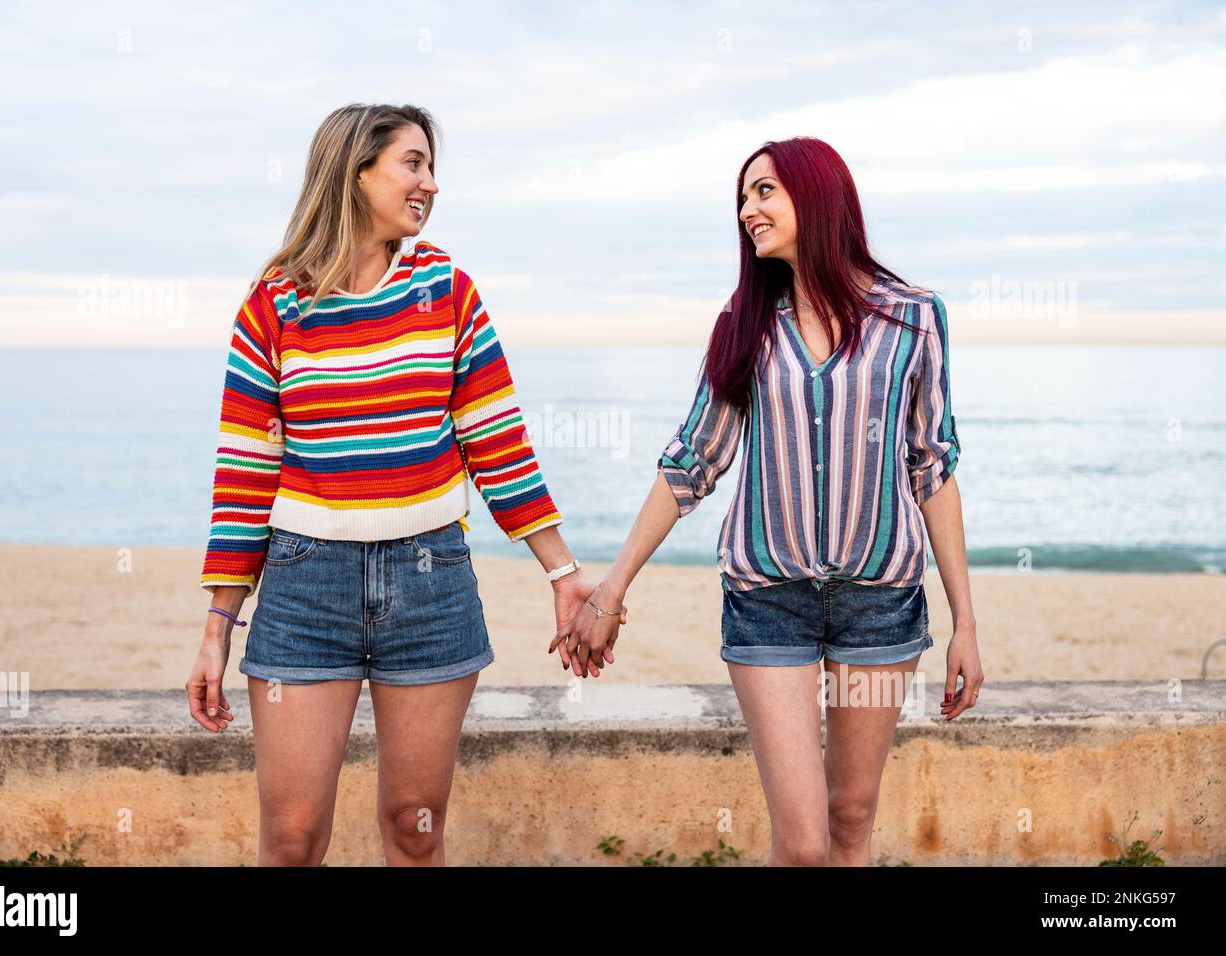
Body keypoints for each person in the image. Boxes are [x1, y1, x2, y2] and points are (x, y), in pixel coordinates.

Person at [187, 103, 622, 866]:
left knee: (412, 828)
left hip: (430, 587)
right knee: (290, 839)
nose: (430, 184)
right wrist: (218, 628)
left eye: (430, 166)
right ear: (355, 173)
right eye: (412, 164)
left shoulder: (447, 289)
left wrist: (561, 571)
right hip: (301, 589)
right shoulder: (274, 304)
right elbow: (246, 473)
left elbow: (497, 441)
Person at [555, 136, 984, 866]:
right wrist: (611, 589)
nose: (748, 210)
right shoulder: (746, 324)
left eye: (765, 192)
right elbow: (696, 459)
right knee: (804, 843)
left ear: (818, 196)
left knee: (851, 818)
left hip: (880, 602)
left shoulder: (914, 319)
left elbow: (933, 467)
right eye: (744, 196)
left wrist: (965, 623)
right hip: (768, 601)